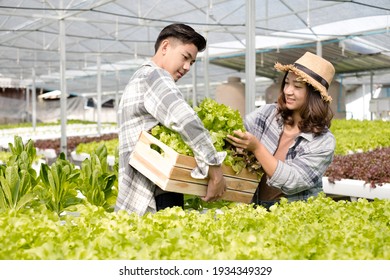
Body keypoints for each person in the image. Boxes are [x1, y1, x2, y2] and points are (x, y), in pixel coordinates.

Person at [115, 23, 227, 216]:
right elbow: (186, 120)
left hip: (138, 196)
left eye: (191, 63)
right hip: (154, 195)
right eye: (185, 57)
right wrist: (214, 169)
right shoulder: (154, 75)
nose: (187, 67)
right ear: (165, 47)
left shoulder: (138, 77)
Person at [227, 52, 336, 209]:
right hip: (254, 208)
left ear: (314, 94)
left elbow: (292, 181)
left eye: (297, 86)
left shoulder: (323, 141)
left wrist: (257, 148)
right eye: (286, 83)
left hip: (294, 216)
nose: (288, 91)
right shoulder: (268, 114)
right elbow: (237, 131)